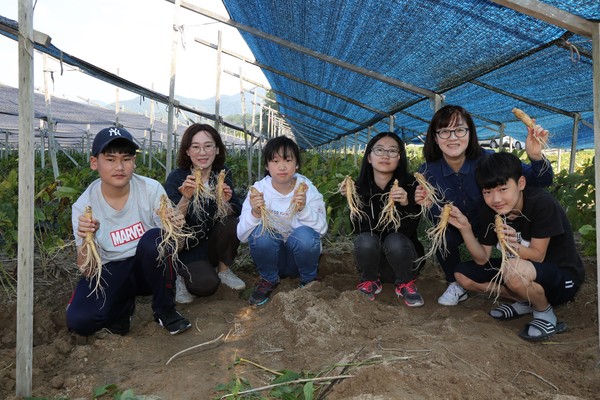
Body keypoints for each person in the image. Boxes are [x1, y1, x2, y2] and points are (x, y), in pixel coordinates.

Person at [415, 105, 553, 306]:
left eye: (459, 129)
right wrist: (428, 205)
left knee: (521, 254)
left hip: (496, 224)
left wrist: (536, 157)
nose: (452, 137)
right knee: (441, 234)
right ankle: (455, 283)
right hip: (459, 226)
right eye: (444, 131)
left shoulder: (489, 159)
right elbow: (439, 217)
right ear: (435, 138)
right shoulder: (428, 171)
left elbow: (540, 181)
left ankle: (529, 280)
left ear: (470, 133)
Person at [67, 127, 191, 336]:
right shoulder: (84, 206)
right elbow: (87, 270)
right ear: (94, 163)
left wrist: (175, 226)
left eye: (126, 159)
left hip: (147, 268)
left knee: (155, 239)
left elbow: (173, 246)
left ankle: (164, 309)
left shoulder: (150, 189)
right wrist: (87, 238)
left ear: (134, 162)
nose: (119, 167)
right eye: (110, 159)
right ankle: (123, 307)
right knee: (79, 321)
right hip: (110, 271)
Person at [448, 152, 584, 341]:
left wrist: (515, 244)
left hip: (562, 277)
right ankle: (525, 299)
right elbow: (482, 258)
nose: (496, 199)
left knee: (512, 270)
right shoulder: (489, 209)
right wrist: (465, 228)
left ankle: (544, 311)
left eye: (503, 189)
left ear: (521, 183)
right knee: (462, 275)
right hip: (520, 271)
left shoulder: (541, 203)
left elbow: (537, 256)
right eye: (487, 192)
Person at [237, 136, 328, 306]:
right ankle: (269, 280)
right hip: (272, 260)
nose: (282, 166)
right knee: (260, 233)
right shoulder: (258, 191)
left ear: (297, 164)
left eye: (288, 160)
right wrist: (256, 213)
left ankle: (309, 280)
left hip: (298, 259)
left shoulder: (308, 189)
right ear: (266, 165)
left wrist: (303, 209)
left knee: (306, 235)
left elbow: (322, 229)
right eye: (275, 160)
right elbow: (242, 235)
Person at [164, 123, 246, 304]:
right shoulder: (178, 178)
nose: (202, 152)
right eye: (196, 147)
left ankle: (224, 270)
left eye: (208, 146)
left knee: (232, 221)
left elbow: (235, 208)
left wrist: (225, 204)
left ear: (217, 149)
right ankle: (179, 274)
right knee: (206, 286)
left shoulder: (222, 174)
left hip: (212, 243)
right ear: (187, 151)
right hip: (188, 247)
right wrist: (185, 198)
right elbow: (170, 222)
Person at [341, 132, 425, 306]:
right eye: (379, 150)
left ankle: (405, 283)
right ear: (369, 157)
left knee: (394, 239)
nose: (386, 155)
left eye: (392, 151)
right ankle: (369, 280)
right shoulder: (358, 188)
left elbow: (408, 232)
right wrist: (351, 201)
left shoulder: (411, 186)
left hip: (404, 261)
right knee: (365, 239)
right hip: (373, 263)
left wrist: (406, 204)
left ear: (399, 158)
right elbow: (358, 229)